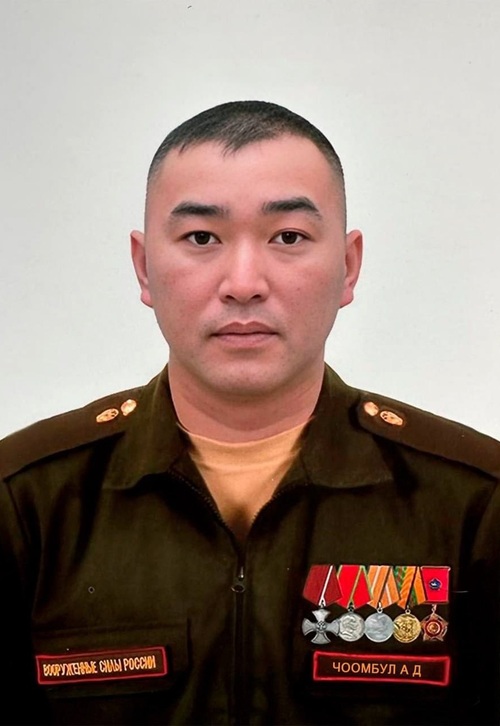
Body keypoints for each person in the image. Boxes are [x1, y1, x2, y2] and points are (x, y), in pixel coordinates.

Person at [1, 101, 499, 726]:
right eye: (201, 238)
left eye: (288, 237)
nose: (243, 283)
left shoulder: (474, 503)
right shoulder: (26, 502)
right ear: (144, 267)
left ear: (348, 267)